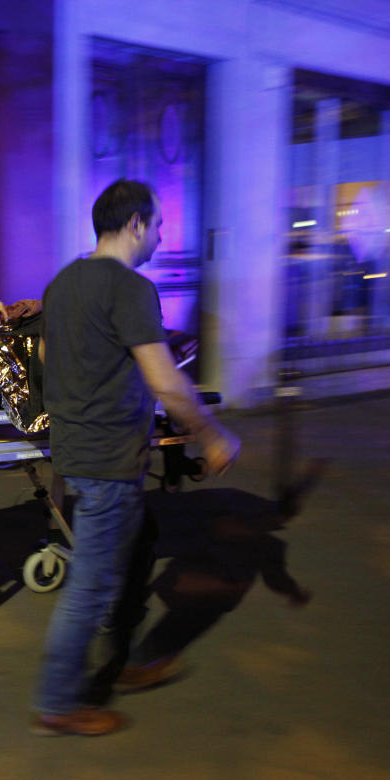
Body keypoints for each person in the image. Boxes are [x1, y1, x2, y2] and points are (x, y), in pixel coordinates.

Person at [31, 179, 241, 737]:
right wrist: (213, 433)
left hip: (80, 450)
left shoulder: (63, 283)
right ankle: (56, 702)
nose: (161, 237)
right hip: (107, 458)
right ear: (135, 225)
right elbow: (166, 381)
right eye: (159, 226)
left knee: (134, 555)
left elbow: (49, 356)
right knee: (92, 586)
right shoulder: (130, 288)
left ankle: (118, 662)